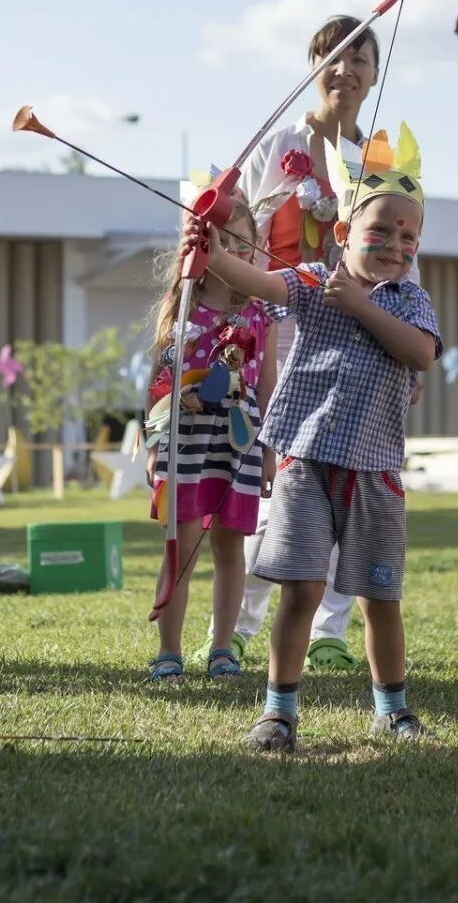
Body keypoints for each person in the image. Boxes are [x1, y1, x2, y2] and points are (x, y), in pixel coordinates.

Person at [196, 125, 440, 751]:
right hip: (306, 464)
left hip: (375, 471)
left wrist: (361, 304)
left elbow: (420, 354)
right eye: (379, 231)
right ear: (342, 234)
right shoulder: (311, 281)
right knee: (302, 589)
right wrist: (214, 256)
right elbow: (262, 285)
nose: (394, 245)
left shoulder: (410, 301)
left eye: (407, 235)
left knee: (378, 595)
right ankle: (278, 710)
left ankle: (393, 708)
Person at [202, 14, 391, 673]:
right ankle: (244, 620)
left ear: (374, 72)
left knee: (344, 476)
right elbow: (237, 229)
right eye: (332, 58)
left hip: (352, 334)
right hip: (269, 330)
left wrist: (407, 339)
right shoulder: (277, 142)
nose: (346, 72)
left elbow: (401, 257)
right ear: (315, 66)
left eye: (359, 60)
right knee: (271, 476)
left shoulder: (379, 158)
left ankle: (331, 630)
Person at [143, 206, 279, 683]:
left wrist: (267, 450)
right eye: (218, 241)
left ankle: (223, 648)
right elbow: (158, 383)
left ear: (254, 246)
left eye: (241, 242)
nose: (230, 251)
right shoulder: (180, 306)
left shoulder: (261, 311)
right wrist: (153, 444)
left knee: (230, 549)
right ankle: (169, 652)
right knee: (181, 548)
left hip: (236, 442)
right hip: (185, 441)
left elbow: (268, 387)